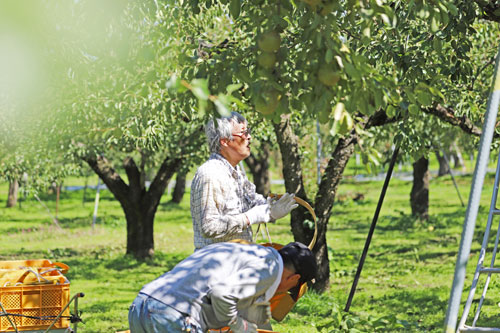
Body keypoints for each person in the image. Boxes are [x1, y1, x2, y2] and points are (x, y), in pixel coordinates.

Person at [128, 241, 318, 333]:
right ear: (294, 279)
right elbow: (221, 294)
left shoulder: (247, 252)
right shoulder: (269, 268)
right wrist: (239, 326)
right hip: (173, 316)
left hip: (142, 305)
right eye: (291, 288)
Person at [191, 111, 298, 250]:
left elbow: (253, 202)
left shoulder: (236, 174)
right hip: (217, 265)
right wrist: (249, 218)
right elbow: (209, 227)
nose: (249, 137)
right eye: (243, 133)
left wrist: (271, 210)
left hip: (236, 260)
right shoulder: (210, 174)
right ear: (224, 140)